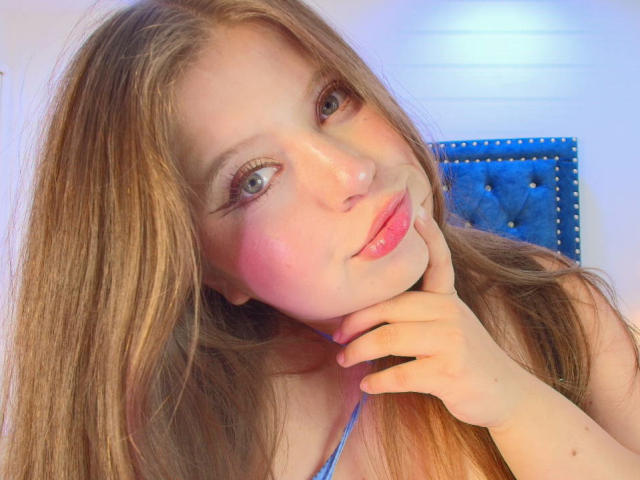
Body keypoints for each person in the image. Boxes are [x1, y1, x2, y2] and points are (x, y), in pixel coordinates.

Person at [1, 0, 639, 479]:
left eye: (331, 102)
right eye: (255, 179)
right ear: (200, 268)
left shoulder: (552, 303)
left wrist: (513, 402)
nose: (353, 172)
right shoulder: (168, 434)